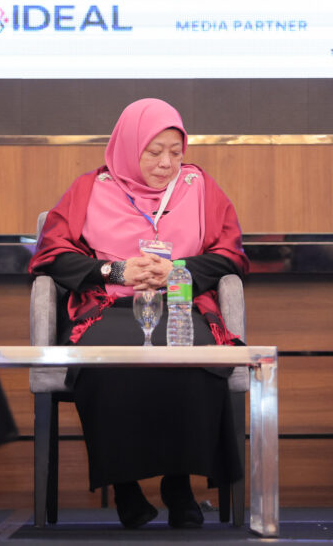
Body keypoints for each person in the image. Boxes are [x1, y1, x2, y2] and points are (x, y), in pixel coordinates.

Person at [28, 98, 247, 529]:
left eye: (175, 152)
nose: (167, 163)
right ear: (129, 147)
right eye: (154, 151)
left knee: (195, 357)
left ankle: (179, 485)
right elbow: (51, 255)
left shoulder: (199, 186)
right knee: (107, 361)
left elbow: (231, 254)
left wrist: (178, 269)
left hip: (180, 305)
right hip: (108, 308)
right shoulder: (90, 188)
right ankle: (125, 488)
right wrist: (116, 270)